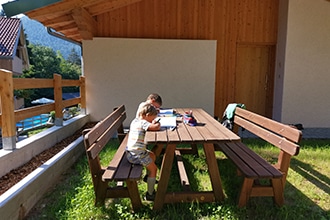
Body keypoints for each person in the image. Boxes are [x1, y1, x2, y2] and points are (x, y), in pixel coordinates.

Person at [126, 103, 161, 201]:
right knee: (154, 169)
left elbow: (149, 125)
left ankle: (147, 177)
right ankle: (150, 194)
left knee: (152, 155)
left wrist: (152, 121)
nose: (151, 121)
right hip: (137, 155)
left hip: (131, 153)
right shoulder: (143, 122)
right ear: (147, 115)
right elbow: (156, 127)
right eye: (151, 119)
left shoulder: (135, 121)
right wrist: (157, 123)